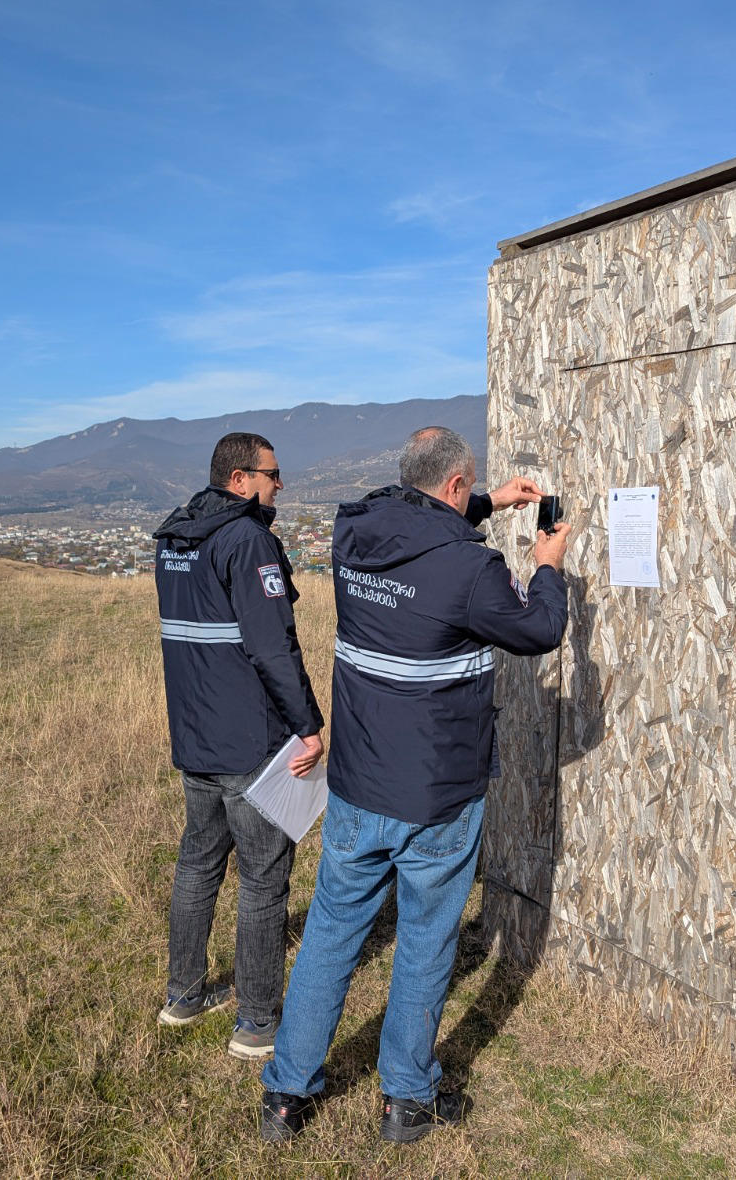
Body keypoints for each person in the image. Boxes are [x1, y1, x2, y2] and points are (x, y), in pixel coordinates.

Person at [259, 426, 570, 1142]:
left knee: (331, 932)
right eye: (470, 489)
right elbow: (539, 630)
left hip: (357, 784)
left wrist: (491, 501)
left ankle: (285, 1095)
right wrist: (547, 564)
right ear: (454, 486)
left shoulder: (352, 534)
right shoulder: (472, 569)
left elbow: (416, 530)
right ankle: (406, 1098)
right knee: (427, 939)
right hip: (437, 796)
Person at [152, 431, 325, 1061]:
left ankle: (183, 995)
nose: (280, 484)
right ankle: (256, 1022)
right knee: (263, 879)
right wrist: (309, 724)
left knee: (197, 864)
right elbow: (272, 647)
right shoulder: (247, 539)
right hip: (251, 742)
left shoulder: (174, 537)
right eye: (272, 474)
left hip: (194, 735)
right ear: (239, 479)